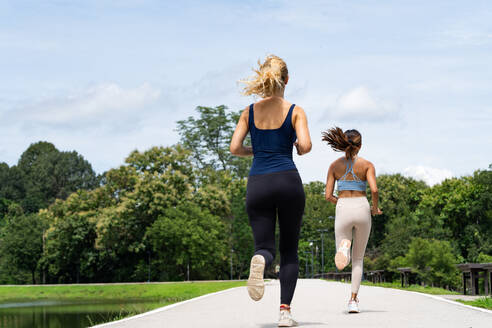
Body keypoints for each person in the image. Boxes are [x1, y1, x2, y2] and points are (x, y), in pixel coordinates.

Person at [230, 55, 312, 327]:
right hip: (287, 180)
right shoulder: (295, 110)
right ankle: (285, 312)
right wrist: (297, 147)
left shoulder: (249, 111)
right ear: (287, 80)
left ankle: (260, 259)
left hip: (259, 183)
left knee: (265, 247)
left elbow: (234, 148)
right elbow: (306, 145)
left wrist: (256, 151)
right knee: (289, 250)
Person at [322, 127, 382, 314]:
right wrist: (374, 208)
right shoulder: (367, 165)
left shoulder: (334, 166)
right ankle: (353, 301)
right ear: (360, 145)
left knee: (344, 250)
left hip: (343, 206)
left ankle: (343, 248)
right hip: (362, 207)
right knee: (358, 259)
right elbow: (374, 190)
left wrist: (340, 202)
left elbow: (327, 195)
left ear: (342, 144)